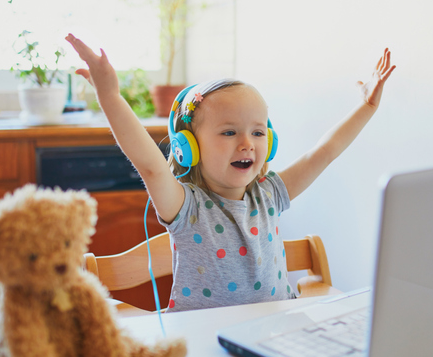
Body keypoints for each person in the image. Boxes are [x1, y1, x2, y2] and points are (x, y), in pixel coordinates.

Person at [65, 33, 395, 312]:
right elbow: (150, 166)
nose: (247, 144)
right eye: (228, 132)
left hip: (274, 334)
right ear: (189, 147)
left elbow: (323, 153)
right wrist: (109, 96)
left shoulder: (270, 193)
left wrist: (366, 107)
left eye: (257, 132)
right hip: (207, 343)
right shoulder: (186, 208)